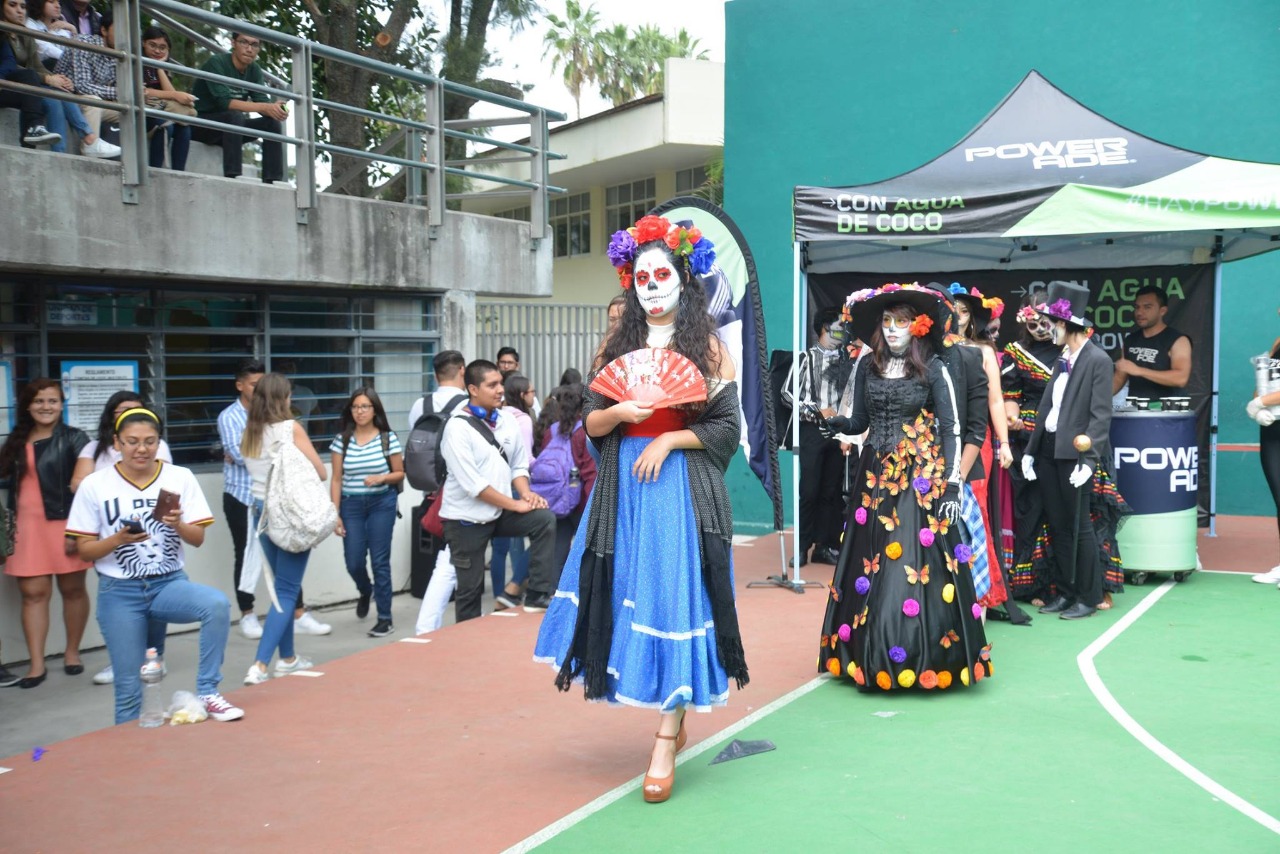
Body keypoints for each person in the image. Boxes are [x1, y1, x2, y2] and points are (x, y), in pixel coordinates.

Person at [535, 214, 748, 804]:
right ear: (632, 283)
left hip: (679, 489)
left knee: (675, 596)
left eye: (663, 274)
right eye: (643, 276)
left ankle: (665, 736)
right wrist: (621, 416)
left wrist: (667, 437)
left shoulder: (706, 348)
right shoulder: (616, 346)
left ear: (683, 277)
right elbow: (590, 423)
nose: (653, 285)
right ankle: (665, 719)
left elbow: (727, 428)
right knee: (630, 591)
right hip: (622, 493)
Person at [819, 283, 991, 693]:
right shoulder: (867, 365)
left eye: (902, 322)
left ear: (917, 327)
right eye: (887, 322)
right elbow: (859, 420)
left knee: (905, 565)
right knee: (870, 562)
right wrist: (836, 424)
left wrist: (951, 484)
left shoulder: (934, 366)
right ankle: (870, 654)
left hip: (918, 479)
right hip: (873, 477)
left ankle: (908, 655)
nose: (893, 329)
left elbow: (951, 428)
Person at [66, 407, 244, 723]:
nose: (142, 449)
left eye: (150, 441)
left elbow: (198, 538)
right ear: (116, 443)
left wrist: (177, 524)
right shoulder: (95, 485)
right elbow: (84, 551)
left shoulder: (179, 477)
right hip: (119, 592)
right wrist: (118, 540)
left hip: (168, 583)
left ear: (159, 443)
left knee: (216, 605)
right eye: (132, 441)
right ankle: (129, 759)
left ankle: (208, 691)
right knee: (130, 691)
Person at [1024, 282, 1119, 620]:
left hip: (1075, 455)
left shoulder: (1097, 359)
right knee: (1059, 525)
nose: (1048, 328)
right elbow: (1048, 408)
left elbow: (1100, 415)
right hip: (1049, 450)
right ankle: (1065, 592)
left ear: (1066, 324)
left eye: (1052, 322)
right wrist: (1031, 451)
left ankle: (1089, 596)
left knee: (1080, 527)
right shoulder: (1063, 358)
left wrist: (1089, 460)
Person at [438, 360, 556, 622]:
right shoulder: (456, 428)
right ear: (473, 389)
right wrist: (515, 505)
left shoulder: (506, 420)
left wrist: (526, 494)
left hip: (498, 512)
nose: (500, 389)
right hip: (465, 520)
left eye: (500, 383)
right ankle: (466, 645)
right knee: (470, 591)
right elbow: (474, 486)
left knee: (543, 520)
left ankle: (537, 594)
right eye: (492, 385)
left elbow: (518, 465)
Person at [70, 390, 173, 685]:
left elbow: (163, 478)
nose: (129, 417)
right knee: (116, 607)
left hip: (151, 536)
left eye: (136, 411)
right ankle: (122, 661)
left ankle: (154, 658)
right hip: (108, 537)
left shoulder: (157, 446)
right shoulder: (94, 448)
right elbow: (78, 483)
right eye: (122, 411)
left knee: (156, 605)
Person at [0, 379, 90, 688]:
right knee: (33, 595)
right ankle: (36, 666)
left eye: (52, 401)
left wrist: (77, 531)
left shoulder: (76, 438)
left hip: (66, 526)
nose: (46, 407)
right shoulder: (15, 440)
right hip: (27, 530)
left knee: (73, 591)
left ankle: (72, 653)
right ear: (27, 406)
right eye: (39, 401)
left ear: (62, 405)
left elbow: (86, 490)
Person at [240, 373, 329, 685]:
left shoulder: (249, 432)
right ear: (283, 398)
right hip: (288, 516)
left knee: (281, 589)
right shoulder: (290, 428)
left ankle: (288, 659)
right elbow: (320, 471)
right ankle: (260, 665)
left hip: (260, 515)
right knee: (288, 590)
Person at [949, 283, 1012, 611]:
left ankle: (981, 592)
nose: (957, 317)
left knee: (975, 512)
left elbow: (996, 400)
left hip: (978, 440)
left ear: (972, 317)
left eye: (963, 311)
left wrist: (1004, 442)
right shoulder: (934, 349)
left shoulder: (983, 351)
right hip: (941, 439)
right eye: (953, 310)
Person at [1003, 294, 1063, 603]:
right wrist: (1011, 416)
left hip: (1064, 432)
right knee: (1031, 509)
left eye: (1045, 321)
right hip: (1027, 436)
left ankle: (1066, 584)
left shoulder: (1071, 350)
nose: (1040, 328)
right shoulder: (1017, 353)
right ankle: (1033, 585)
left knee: (1063, 512)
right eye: (1033, 322)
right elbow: (1010, 393)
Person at [330, 385, 404, 638]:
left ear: (374, 410)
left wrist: (382, 478)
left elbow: (400, 473)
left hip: (381, 503)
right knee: (353, 560)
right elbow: (336, 479)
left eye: (365, 406)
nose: (360, 411)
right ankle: (365, 589)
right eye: (355, 407)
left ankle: (385, 618)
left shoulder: (387, 437)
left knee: (380, 561)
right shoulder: (343, 440)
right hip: (351, 505)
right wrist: (335, 512)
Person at [781, 306, 851, 567]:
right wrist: (815, 409)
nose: (842, 333)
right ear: (824, 328)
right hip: (810, 431)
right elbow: (787, 394)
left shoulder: (848, 361)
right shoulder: (805, 358)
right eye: (838, 327)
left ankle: (825, 546)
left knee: (831, 492)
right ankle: (801, 547)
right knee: (809, 490)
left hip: (838, 431)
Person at [4, 0, 118, 156]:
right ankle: (89, 139)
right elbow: (13, 69)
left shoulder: (24, 34)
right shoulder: (6, 33)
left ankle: (60, 155)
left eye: (23, 6)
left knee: (56, 96)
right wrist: (48, 79)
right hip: (7, 85)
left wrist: (57, 78)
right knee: (51, 90)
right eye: (12, 5)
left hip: (26, 85)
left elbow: (35, 66)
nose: (19, 11)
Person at [410, 350, 467, 635]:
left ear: (435, 375)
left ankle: (428, 625)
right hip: (459, 491)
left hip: (430, 488)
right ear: (462, 370)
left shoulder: (421, 404)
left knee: (448, 559)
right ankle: (428, 626)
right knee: (451, 561)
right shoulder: (468, 405)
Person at [190, 31, 287, 183]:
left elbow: (261, 100)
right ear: (233, 43)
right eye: (244, 42)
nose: (249, 49)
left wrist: (276, 109)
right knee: (234, 115)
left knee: (271, 123)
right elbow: (224, 102)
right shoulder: (217, 62)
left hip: (232, 129)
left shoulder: (254, 70)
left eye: (254, 45)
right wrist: (264, 107)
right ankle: (233, 176)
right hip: (201, 125)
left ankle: (273, 180)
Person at [533, 383, 597, 583]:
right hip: (580, 502)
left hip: (554, 499)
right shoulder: (583, 432)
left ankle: (553, 591)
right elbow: (589, 472)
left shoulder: (552, 430)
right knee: (586, 549)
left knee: (557, 549)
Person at [51, 8, 127, 151]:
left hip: (93, 103)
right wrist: (121, 92)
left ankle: (127, 159)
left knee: (131, 111)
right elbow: (82, 86)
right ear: (104, 31)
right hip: (68, 99)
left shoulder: (121, 56)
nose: (124, 37)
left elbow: (121, 93)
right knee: (93, 101)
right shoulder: (84, 43)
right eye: (119, 30)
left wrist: (130, 93)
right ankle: (89, 149)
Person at [489, 371, 534, 609]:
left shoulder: (499, 416)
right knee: (518, 543)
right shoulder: (523, 420)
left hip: (495, 483)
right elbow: (524, 459)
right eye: (531, 392)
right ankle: (512, 592)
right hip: (516, 485)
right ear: (522, 394)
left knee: (499, 548)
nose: (534, 396)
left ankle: (500, 593)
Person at [1112, 285, 1193, 400]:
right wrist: (1093, 399)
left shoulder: (1178, 340)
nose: (1140, 312)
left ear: (1162, 311)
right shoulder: (1131, 340)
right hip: (1136, 413)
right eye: (1137, 307)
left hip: (1167, 414)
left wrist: (1139, 371)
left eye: (1147, 307)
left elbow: (1181, 379)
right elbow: (1119, 378)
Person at [1248, 310, 1280, 585]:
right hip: (1272, 430)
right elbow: (1263, 383)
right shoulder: (1278, 343)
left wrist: (1262, 401)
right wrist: (1256, 405)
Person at [140, 25, 193, 171]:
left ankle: (179, 173)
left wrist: (159, 67)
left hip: (160, 110)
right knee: (166, 126)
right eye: (153, 45)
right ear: (143, 43)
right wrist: (175, 95)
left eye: (162, 48)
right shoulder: (136, 61)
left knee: (184, 128)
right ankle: (154, 171)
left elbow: (170, 94)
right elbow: (144, 91)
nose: (157, 51)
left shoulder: (163, 66)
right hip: (143, 111)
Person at [25, 0, 75, 67]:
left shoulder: (61, 26)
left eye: (59, 2)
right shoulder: (30, 24)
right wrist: (71, 60)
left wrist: (73, 29)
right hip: (42, 69)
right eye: (51, 2)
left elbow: (73, 50)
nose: (58, 6)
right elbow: (44, 49)